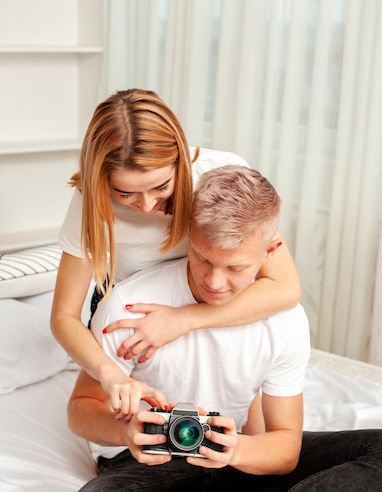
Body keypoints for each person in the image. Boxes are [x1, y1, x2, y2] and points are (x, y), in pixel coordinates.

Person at [60, 165, 382, 492]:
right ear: (189, 235)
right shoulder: (129, 305)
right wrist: (127, 430)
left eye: (234, 268)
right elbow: (80, 409)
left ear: (271, 251)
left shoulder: (283, 322)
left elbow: (284, 449)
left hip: (235, 457)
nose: (214, 281)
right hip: (150, 465)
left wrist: (237, 449)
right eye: (203, 258)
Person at [50, 88, 301, 416]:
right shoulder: (90, 201)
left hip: (211, 305)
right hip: (135, 312)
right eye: (125, 193)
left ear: (180, 158)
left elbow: (284, 286)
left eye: (160, 187)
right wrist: (111, 376)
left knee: (255, 439)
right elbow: (64, 316)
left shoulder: (219, 173)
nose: (146, 206)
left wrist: (182, 319)